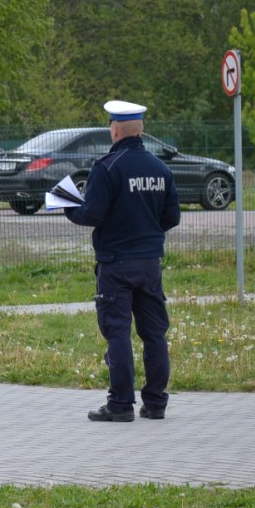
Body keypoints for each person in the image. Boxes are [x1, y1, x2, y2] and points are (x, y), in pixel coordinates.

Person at [64, 100, 181, 422]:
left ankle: (120, 405)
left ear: (114, 129)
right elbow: (172, 216)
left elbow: (92, 214)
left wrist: (66, 206)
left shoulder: (108, 168)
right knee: (154, 333)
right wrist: (145, 232)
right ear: (140, 129)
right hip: (149, 263)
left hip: (115, 264)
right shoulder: (161, 169)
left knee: (118, 333)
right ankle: (156, 403)